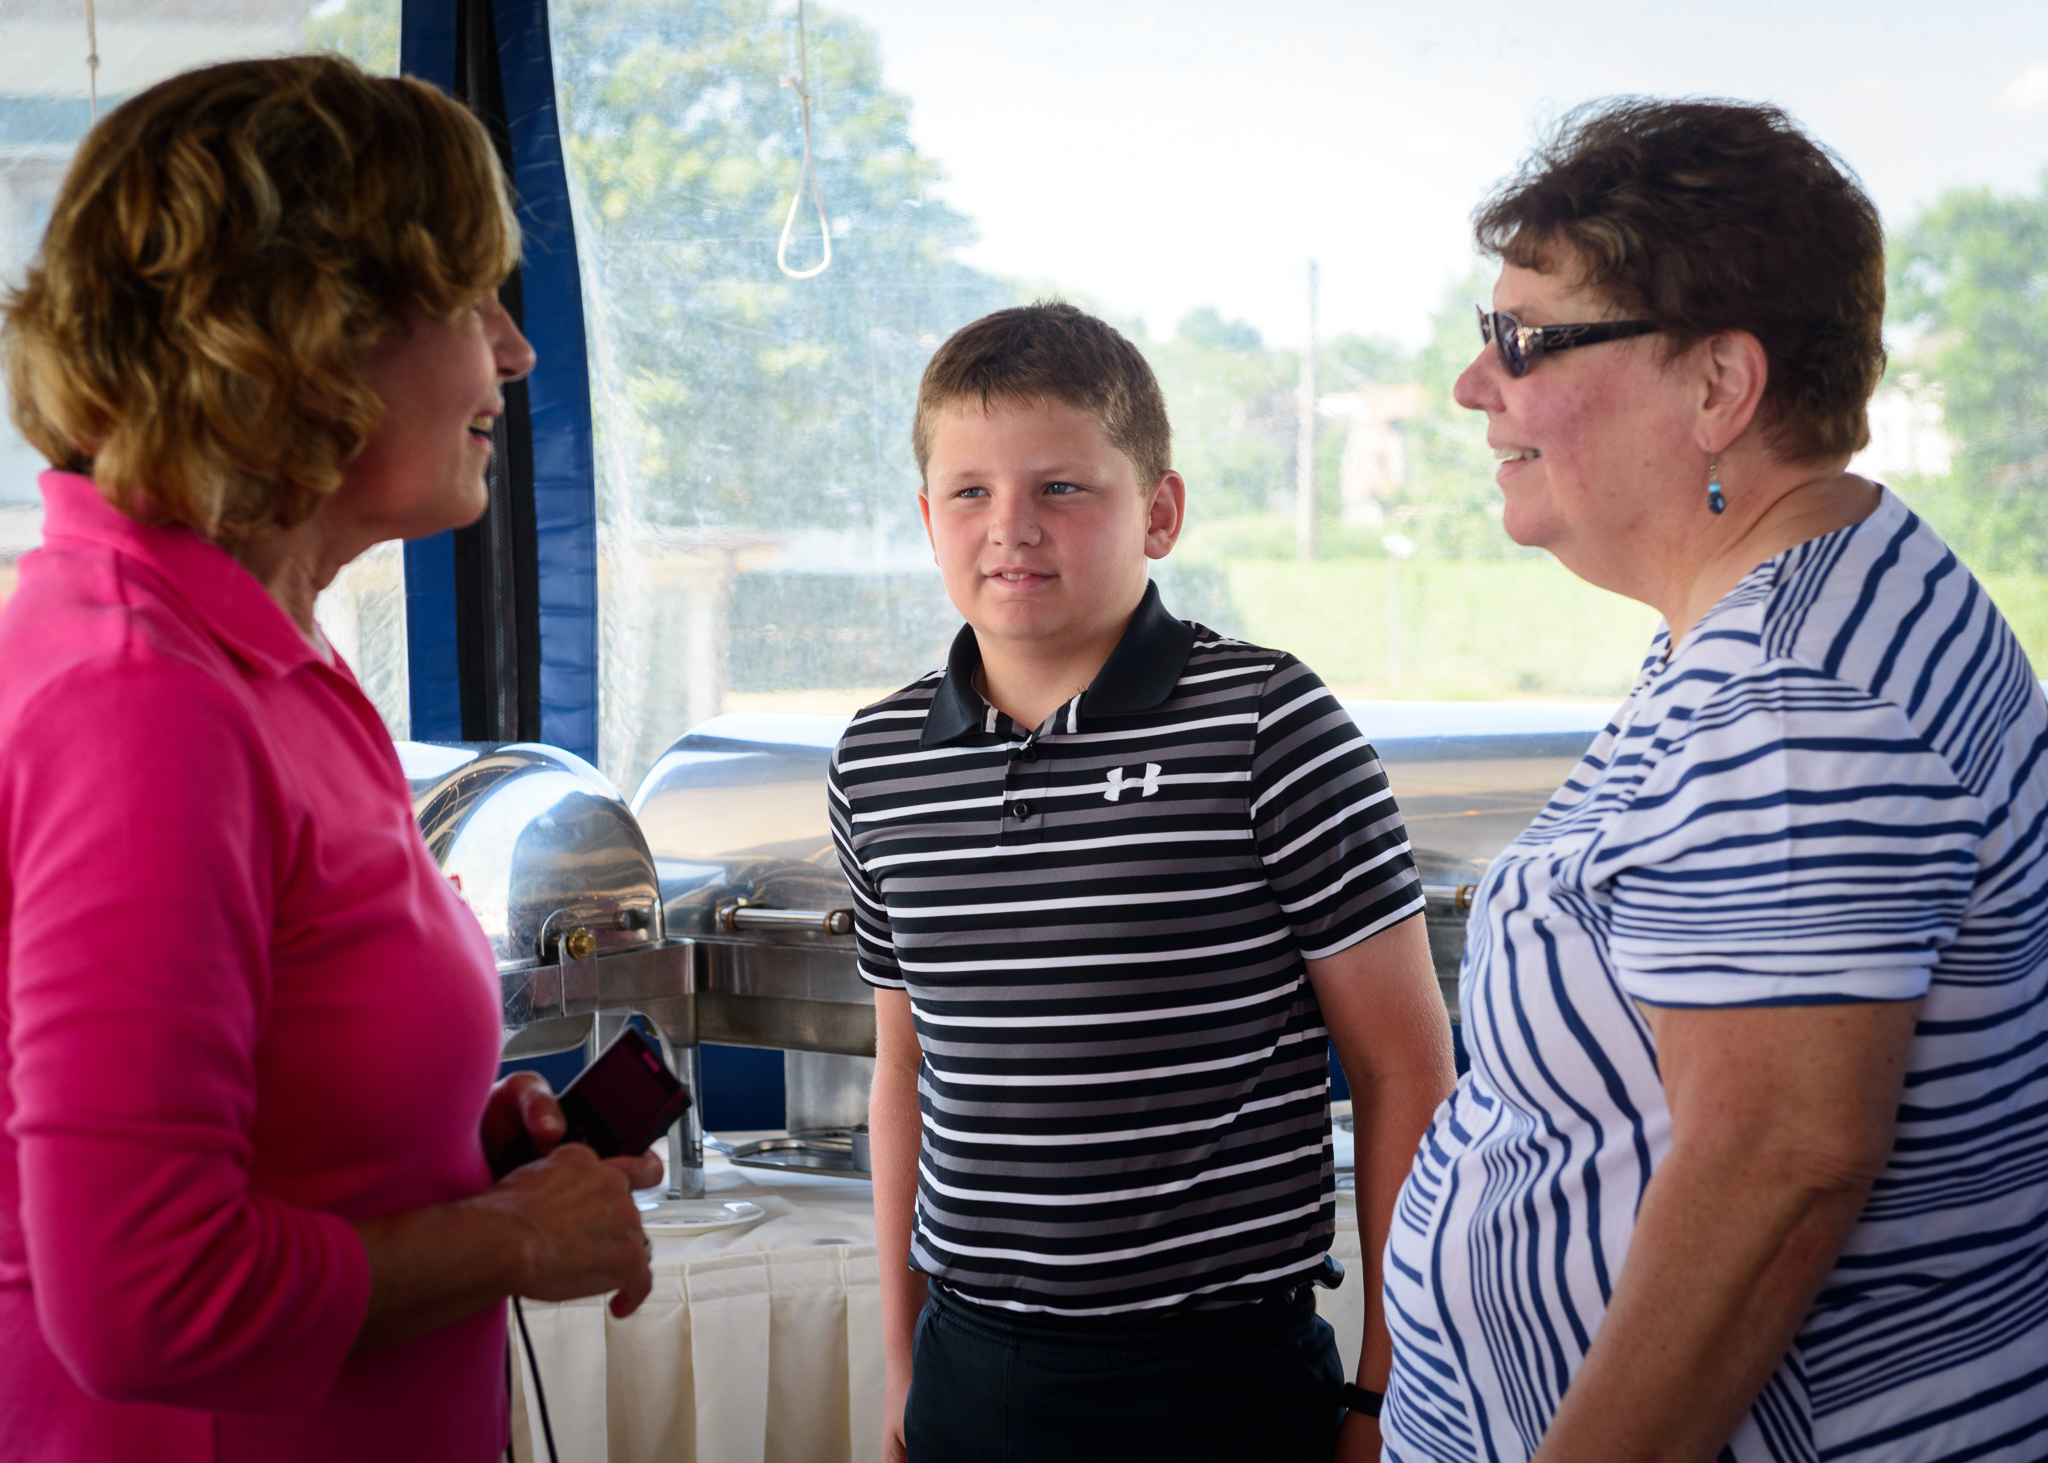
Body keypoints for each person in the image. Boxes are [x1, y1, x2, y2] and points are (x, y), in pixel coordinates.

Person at [0, 57, 660, 1462]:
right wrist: (499, 1240)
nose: (514, 350)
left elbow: (276, 1125)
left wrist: (467, 1151)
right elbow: (145, 1300)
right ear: (308, 334)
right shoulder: (144, 701)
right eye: (474, 298)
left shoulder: (255, 649)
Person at [1381, 98, 2048, 1463]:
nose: (1472, 383)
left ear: (1717, 388)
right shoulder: (1818, 600)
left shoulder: (1794, 702)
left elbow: (1779, 1174)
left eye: (1523, 339)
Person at [827, 301, 1457, 1463]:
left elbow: (1403, 1067)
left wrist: (1383, 1391)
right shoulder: (878, 760)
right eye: (969, 491)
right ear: (926, 518)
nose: (1009, 527)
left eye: (1061, 487)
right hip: (971, 1366)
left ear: (1158, 511)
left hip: (1215, 1381)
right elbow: (904, 1070)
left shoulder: (1271, 722)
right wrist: (906, 1365)